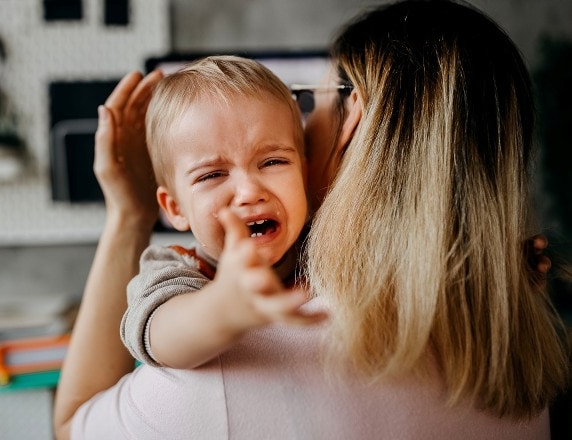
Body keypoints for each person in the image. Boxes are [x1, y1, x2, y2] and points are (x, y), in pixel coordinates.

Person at [54, 1, 569, 439]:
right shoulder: (512, 336)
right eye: (214, 173)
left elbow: (73, 426)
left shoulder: (237, 362)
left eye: (311, 102)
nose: (250, 188)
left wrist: (127, 216)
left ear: (353, 117)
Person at [120, 55, 324, 370]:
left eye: (272, 162)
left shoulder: (326, 245)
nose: (249, 192)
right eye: (212, 175)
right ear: (175, 208)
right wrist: (222, 307)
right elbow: (160, 336)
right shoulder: (175, 268)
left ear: (304, 175)